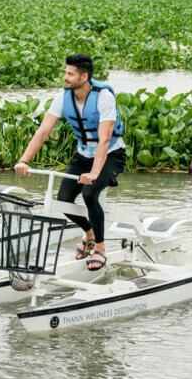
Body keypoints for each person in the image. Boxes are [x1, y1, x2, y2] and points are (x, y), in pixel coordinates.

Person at [14, 54, 126, 271]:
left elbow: (104, 139)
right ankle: (90, 234)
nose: (65, 77)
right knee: (63, 199)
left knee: (89, 193)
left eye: (70, 73)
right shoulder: (62, 98)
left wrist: (94, 173)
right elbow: (43, 131)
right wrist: (24, 159)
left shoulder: (103, 97)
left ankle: (100, 248)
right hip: (83, 155)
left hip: (112, 154)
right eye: (65, 72)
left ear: (84, 76)